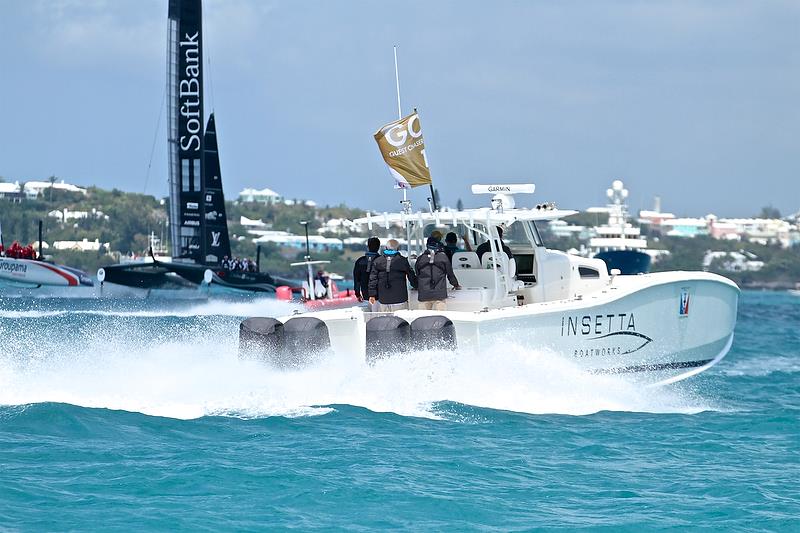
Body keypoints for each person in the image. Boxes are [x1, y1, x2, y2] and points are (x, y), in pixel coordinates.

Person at [368, 239, 417, 312]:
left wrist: (372, 294)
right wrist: (416, 285)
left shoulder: (378, 261)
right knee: (401, 322)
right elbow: (411, 275)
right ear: (398, 248)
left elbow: (373, 279)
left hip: (383, 299)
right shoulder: (402, 260)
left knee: (385, 322)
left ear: (386, 248)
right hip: (400, 299)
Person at [415, 237, 460, 310]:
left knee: (423, 318)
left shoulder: (420, 259)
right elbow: (450, 274)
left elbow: (417, 274)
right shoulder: (443, 257)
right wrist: (456, 284)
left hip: (424, 294)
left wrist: (416, 286)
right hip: (439, 294)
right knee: (441, 319)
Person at [353, 237, 380, 310]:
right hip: (380, 295)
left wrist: (357, 294)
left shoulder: (360, 261)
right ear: (379, 247)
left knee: (368, 316)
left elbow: (357, 279)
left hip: (365, 294)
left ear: (368, 247)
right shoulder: (381, 260)